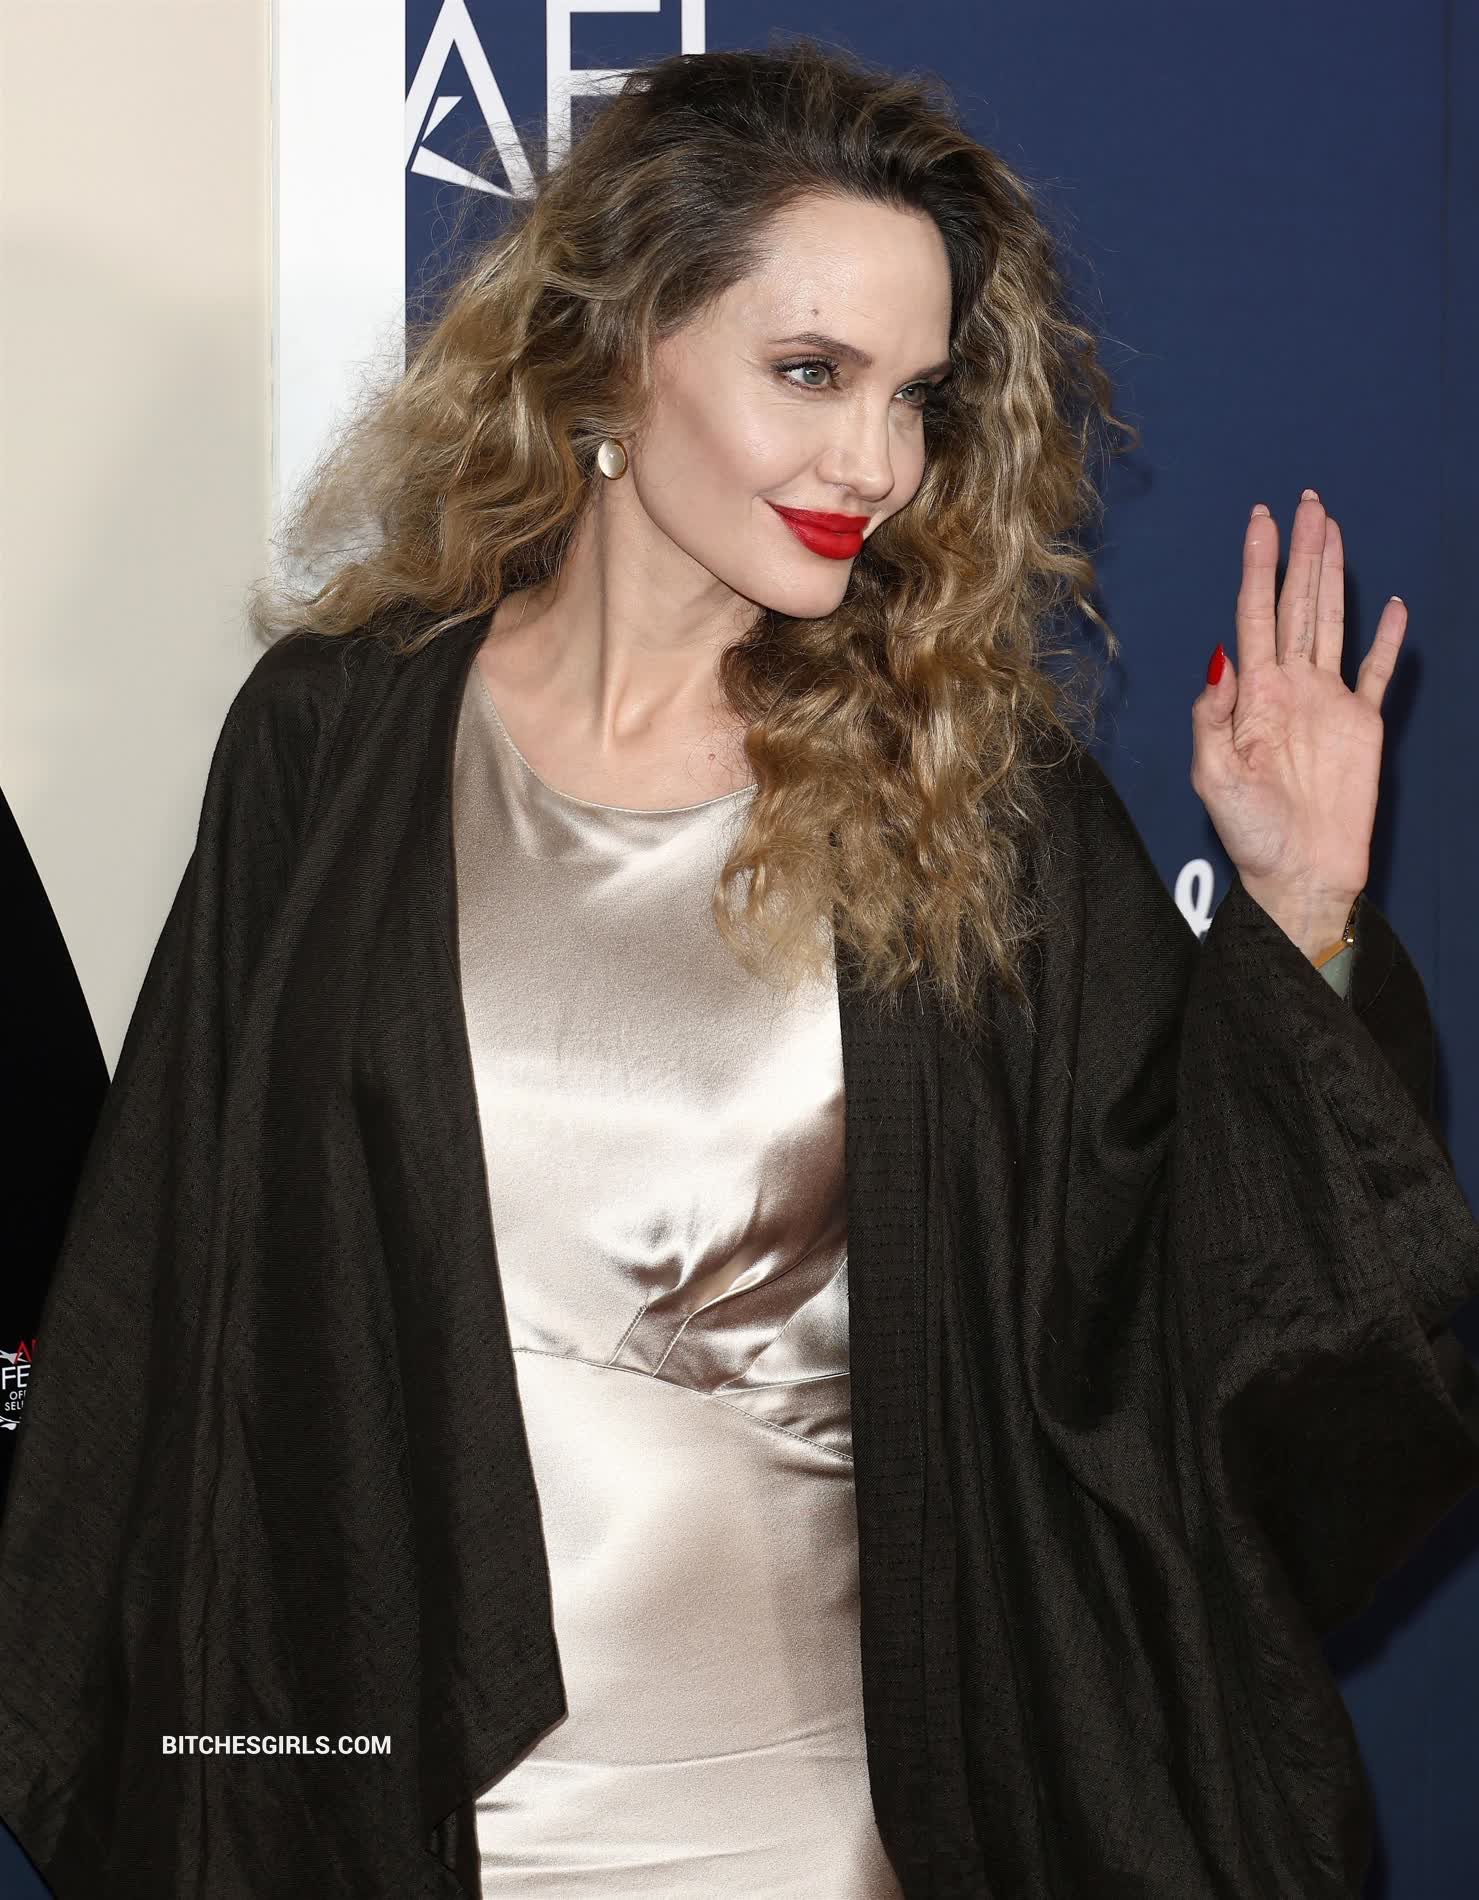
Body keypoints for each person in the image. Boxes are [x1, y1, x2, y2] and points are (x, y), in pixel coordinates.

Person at [1, 36, 1477, 1900]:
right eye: (811, 373)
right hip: (392, 1811)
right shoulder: (334, 740)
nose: (877, 461)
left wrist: (1305, 914)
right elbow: (184, 1311)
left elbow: (1201, 1331)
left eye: (915, 396)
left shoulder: (970, 804)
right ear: (623, 343)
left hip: (821, 1831)